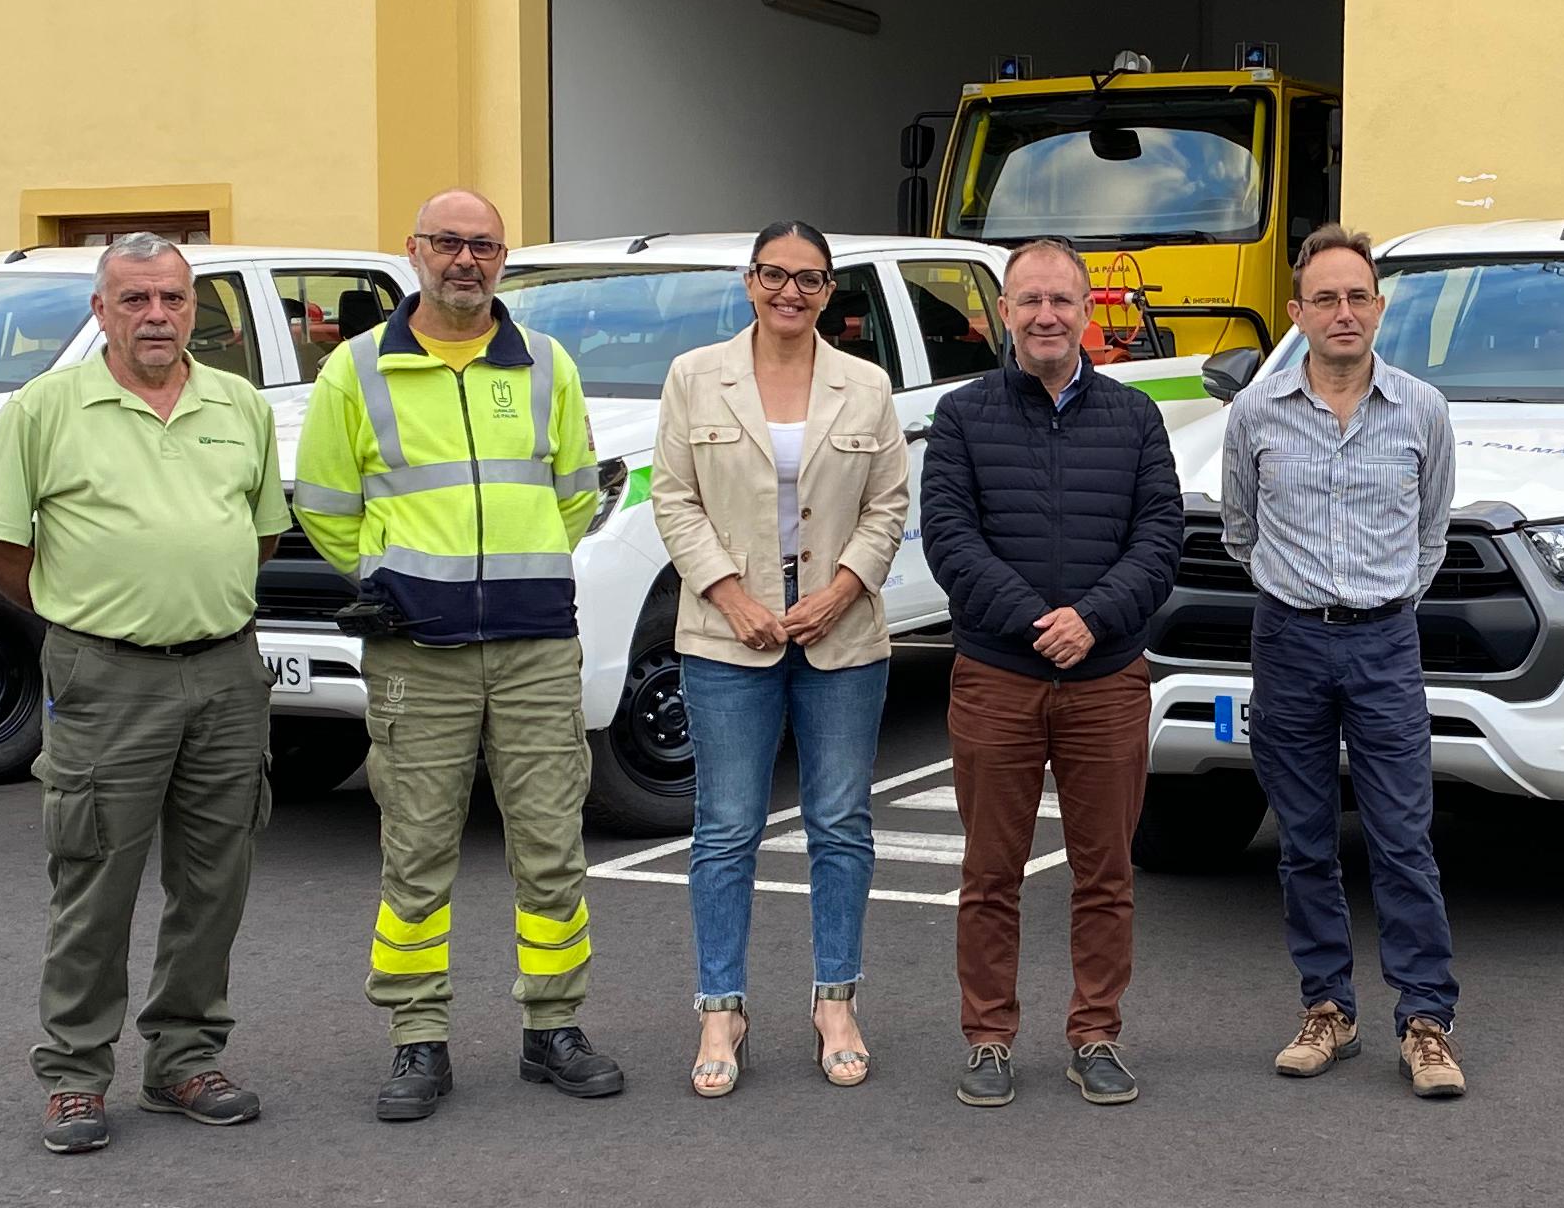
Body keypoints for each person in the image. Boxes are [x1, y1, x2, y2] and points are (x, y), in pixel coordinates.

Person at [293, 189, 625, 1122]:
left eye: (482, 245)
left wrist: (513, 577)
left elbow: (574, 494)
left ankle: (552, 1027)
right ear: (414, 253)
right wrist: (393, 575)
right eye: (448, 243)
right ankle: (416, 1038)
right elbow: (322, 504)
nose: (465, 260)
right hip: (417, 652)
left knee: (552, 848)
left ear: (503, 258)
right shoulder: (355, 372)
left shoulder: (547, 365)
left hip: (532, 647)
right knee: (417, 852)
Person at [0, 233, 289, 1155]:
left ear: (196, 311)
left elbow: (259, 535)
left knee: (214, 878)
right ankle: (74, 1074)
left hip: (227, 672)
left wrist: (192, 591)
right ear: (100, 311)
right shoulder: (45, 408)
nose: (157, 316)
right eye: (136, 299)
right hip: (105, 675)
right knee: (96, 879)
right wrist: (86, 615)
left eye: (174, 300)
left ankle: (185, 1058)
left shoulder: (240, 406)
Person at [916, 235, 1186, 1107]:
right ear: (1005, 312)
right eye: (1028, 300)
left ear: (1087, 311)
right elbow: (950, 542)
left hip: (1107, 679)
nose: (1045, 316)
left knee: (1105, 873)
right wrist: (1039, 622)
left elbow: (1161, 540)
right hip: (997, 675)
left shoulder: (1135, 419)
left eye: (1061, 300)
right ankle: (989, 1038)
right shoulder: (963, 417)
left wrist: (1093, 620)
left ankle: (1096, 1034)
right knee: (990, 874)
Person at [650, 221, 913, 1098]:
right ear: (750, 280)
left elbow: (888, 506)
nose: (789, 292)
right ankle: (721, 1009)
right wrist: (733, 596)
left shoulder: (866, 386)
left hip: (841, 639)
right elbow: (674, 499)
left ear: (830, 290)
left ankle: (834, 1001)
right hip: (730, 637)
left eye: (808, 279)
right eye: (774, 275)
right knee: (726, 829)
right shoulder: (696, 377)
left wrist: (841, 591)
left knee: (841, 824)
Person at [1221, 224, 1468, 1098]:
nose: (1343, 312)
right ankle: (1327, 1009)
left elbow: (1432, 531)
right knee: (1304, 841)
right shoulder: (1255, 411)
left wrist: (1379, 599)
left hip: (1384, 641)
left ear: (1379, 307)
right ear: (1298, 313)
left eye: (1357, 296)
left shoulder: (1421, 410)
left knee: (1403, 836)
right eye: (1324, 298)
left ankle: (1427, 1020)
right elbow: (1239, 532)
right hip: (1287, 640)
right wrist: (1303, 596)